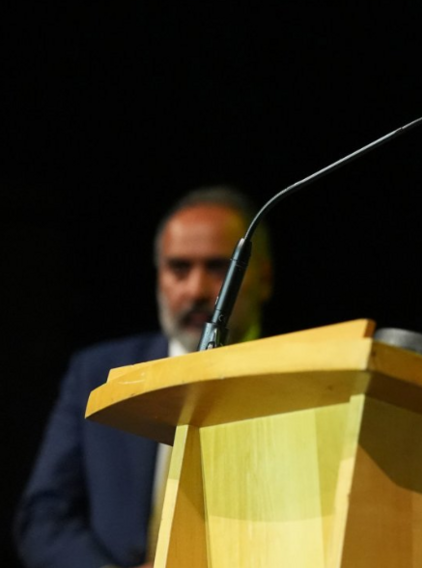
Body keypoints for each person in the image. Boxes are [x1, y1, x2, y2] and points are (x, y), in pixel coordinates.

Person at [14, 185, 273, 568]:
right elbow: (43, 516)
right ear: (158, 278)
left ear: (264, 279)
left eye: (219, 268)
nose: (197, 290)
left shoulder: (304, 379)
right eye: (179, 268)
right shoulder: (97, 373)